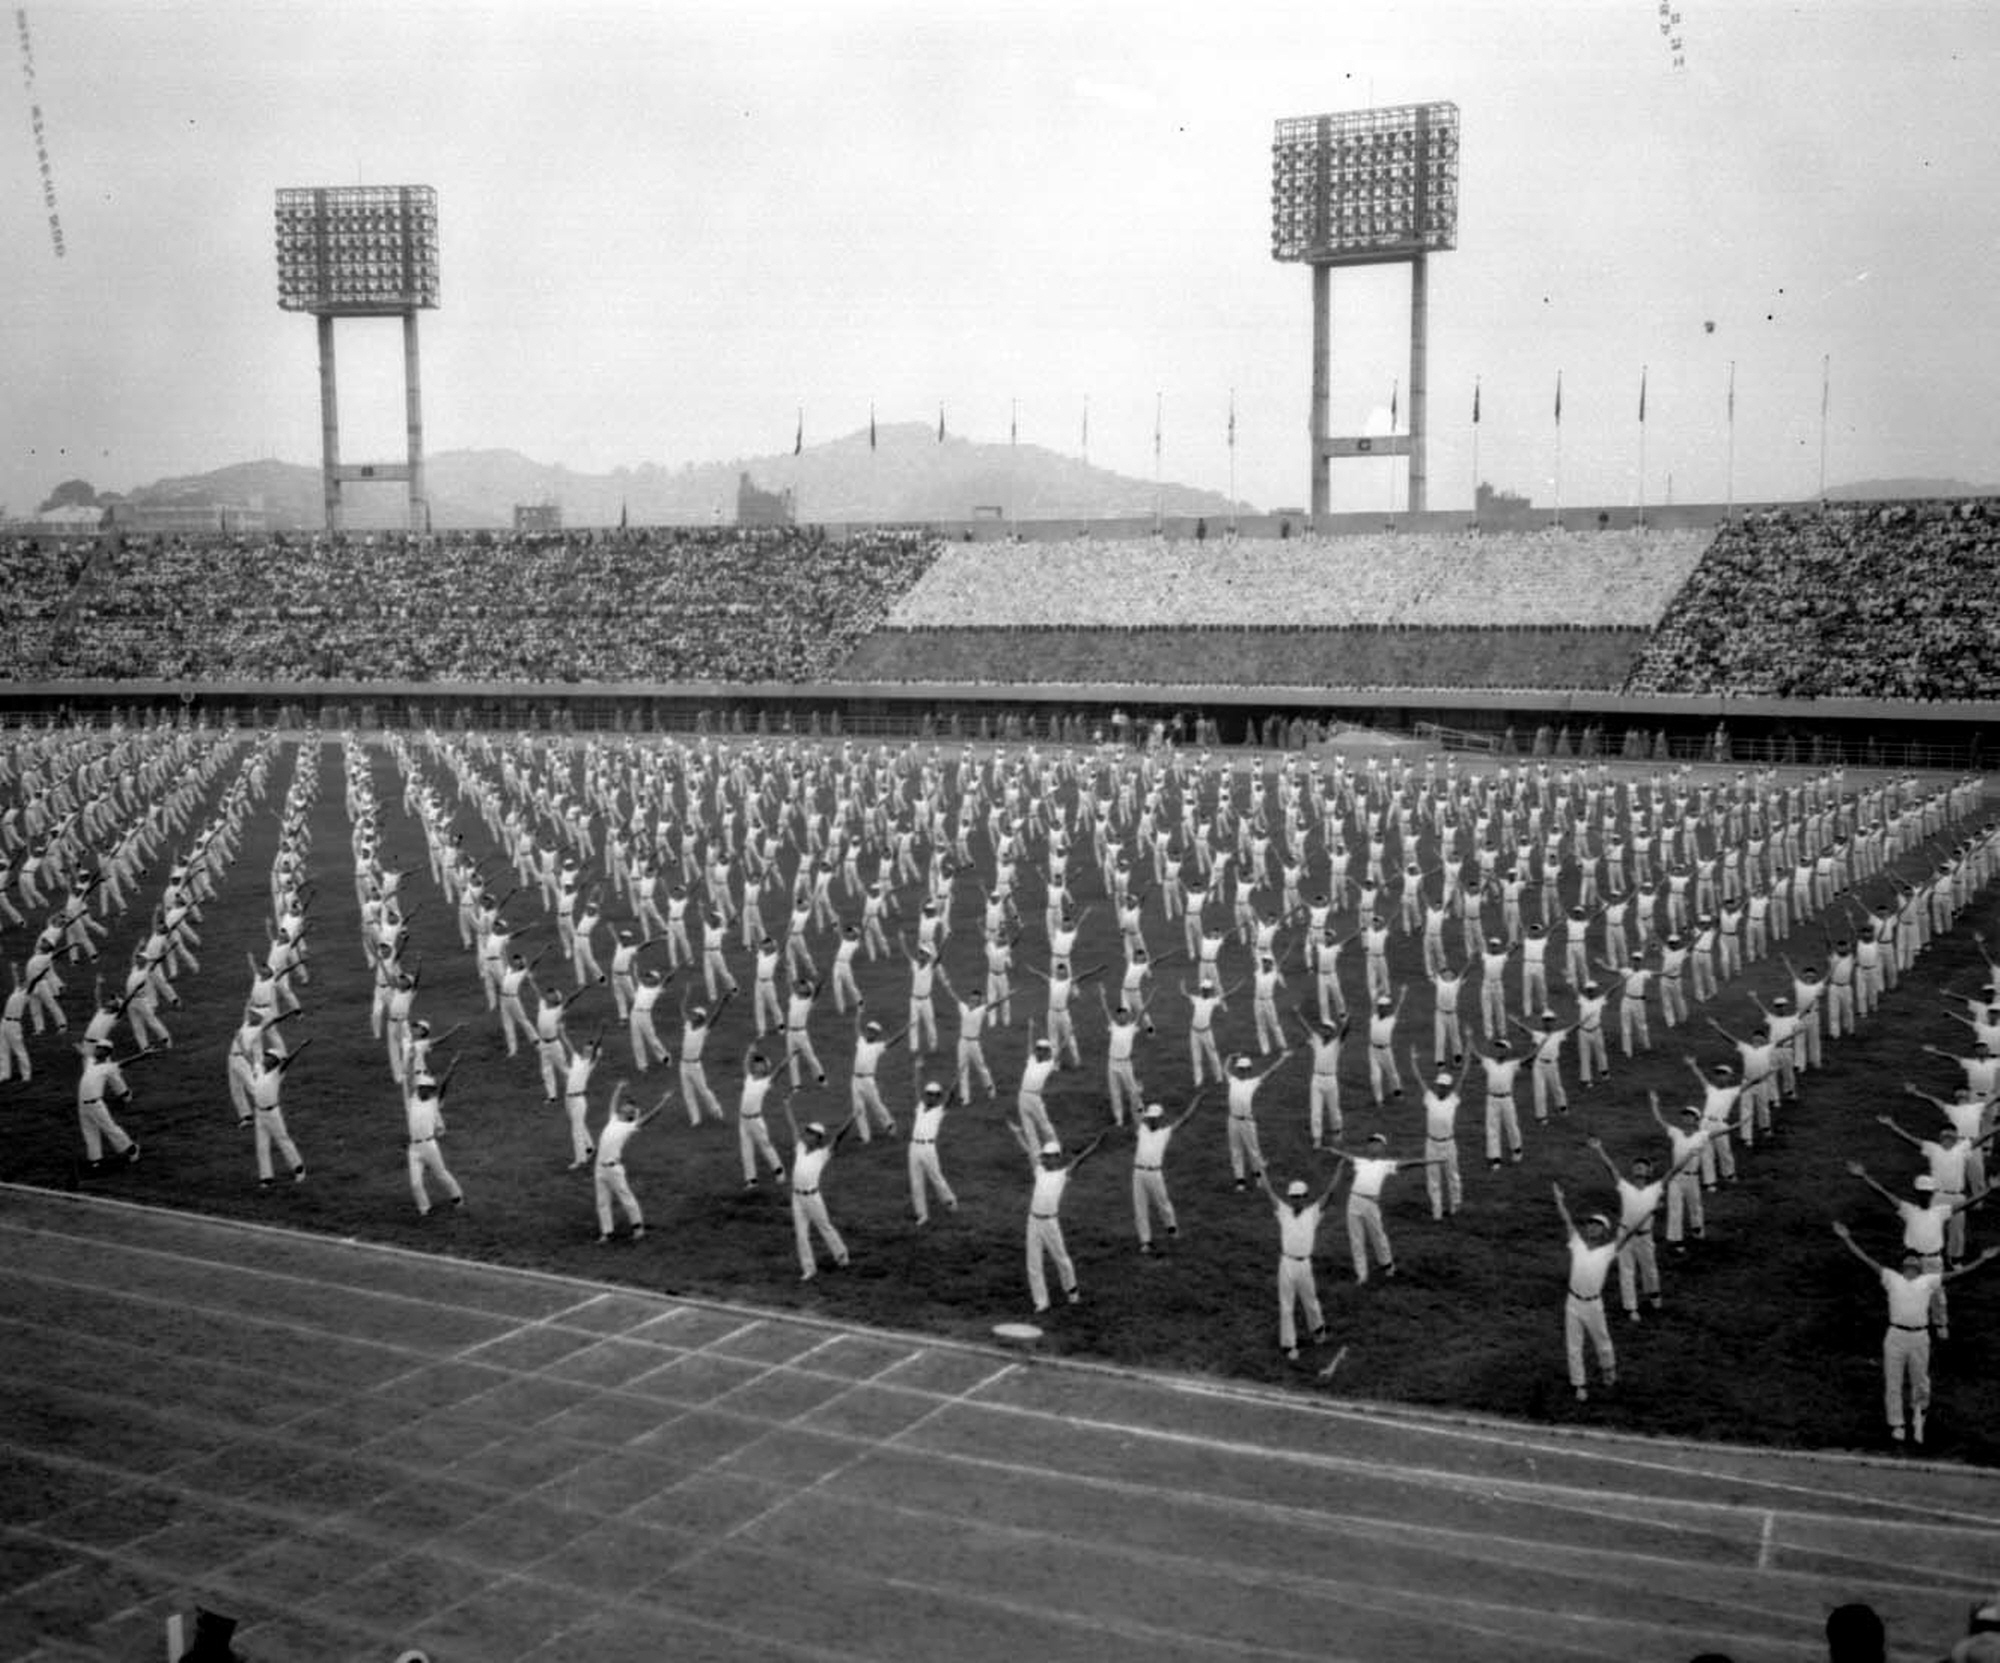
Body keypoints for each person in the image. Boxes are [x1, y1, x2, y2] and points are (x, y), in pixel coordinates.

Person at [1829, 1220, 1998, 1446]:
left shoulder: (1928, 1281)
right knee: (1893, 1381)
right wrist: (1846, 1238)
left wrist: (1982, 1260)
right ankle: (1897, 1424)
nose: (1911, 1262)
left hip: (1919, 1337)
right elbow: (1865, 1260)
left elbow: (1959, 1276)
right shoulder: (1891, 1278)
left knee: (1920, 1380)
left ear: (1919, 1266)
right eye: (1907, 1260)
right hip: (1895, 1337)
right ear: (1902, 1265)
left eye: (1914, 1260)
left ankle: (1919, 1417)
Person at [1552, 1180, 1636, 1402]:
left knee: (1603, 1340)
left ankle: (1608, 1368)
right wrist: (1559, 1200)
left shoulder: (1608, 1251)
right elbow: (1567, 1220)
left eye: (1597, 1225)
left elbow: (1628, 1234)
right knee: (1573, 1345)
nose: (1591, 1227)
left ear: (1604, 1231)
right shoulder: (1577, 1243)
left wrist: (1644, 1213)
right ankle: (1579, 1384)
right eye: (1590, 1224)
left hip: (1593, 1305)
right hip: (1573, 1302)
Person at [1010, 1124, 1108, 1314]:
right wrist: (1018, 1134)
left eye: (1047, 1157)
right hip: (1033, 1221)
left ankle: (1072, 1292)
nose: (1044, 1159)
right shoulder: (1039, 1171)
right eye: (1044, 1157)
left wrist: (1096, 1144)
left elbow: (1081, 1159)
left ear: (1056, 1158)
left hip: (1050, 1223)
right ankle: (1041, 1301)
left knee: (1061, 1258)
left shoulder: (1063, 1174)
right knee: (1033, 1262)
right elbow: (1028, 1151)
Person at [1257, 1168, 1341, 1360]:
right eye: (1294, 1197)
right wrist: (1262, 1170)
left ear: (1305, 1197)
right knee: (1286, 1306)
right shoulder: (1283, 1211)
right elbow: (1269, 1191)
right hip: (1286, 1263)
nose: (1297, 1200)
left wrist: (1338, 1170)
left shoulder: (1313, 1213)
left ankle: (1318, 1330)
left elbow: (1330, 1193)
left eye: (1301, 1196)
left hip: (1304, 1264)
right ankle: (1289, 1345)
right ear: (1290, 1197)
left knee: (1310, 1300)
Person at [783, 1098, 857, 1281]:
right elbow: (792, 1128)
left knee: (824, 1226)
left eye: (810, 1134)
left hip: (812, 1198)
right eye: (806, 1132)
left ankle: (841, 1255)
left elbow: (838, 1137)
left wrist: (852, 1118)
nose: (806, 1135)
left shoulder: (823, 1154)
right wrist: (787, 1108)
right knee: (801, 1234)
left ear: (818, 1139)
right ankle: (809, 1268)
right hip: (797, 1198)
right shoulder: (800, 1148)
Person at [595, 1080, 671, 1243]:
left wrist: (663, 1101)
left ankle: (638, 1228)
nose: (625, 1106)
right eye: (626, 1105)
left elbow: (651, 1116)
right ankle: (606, 1233)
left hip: (613, 1169)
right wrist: (618, 1088)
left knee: (626, 1197)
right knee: (602, 1202)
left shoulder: (630, 1126)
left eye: (630, 1107)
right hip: (599, 1168)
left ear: (631, 1114)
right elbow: (613, 1103)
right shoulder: (613, 1119)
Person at [1131, 1092, 1202, 1254]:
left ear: (1160, 1118)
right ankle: (1145, 1241)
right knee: (1140, 1207)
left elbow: (1184, 1119)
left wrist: (1196, 1101)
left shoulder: (1165, 1133)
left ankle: (1171, 1228)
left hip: (1155, 1173)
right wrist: (1137, 1096)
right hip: (1138, 1173)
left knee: (1163, 1202)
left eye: (1155, 1118)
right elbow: (1136, 1113)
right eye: (1150, 1118)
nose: (1152, 1120)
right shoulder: (1142, 1129)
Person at [906, 1078, 959, 1226]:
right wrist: (916, 1069)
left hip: (928, 1148)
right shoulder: (920, 1106)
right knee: (916, 1181)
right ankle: (922, 1214)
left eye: (935, 1094)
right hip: (914, 1148)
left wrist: (956, 1083)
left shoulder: (939, 1110)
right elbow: (915, 1087)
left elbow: (950, 1098)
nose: (931, 1096)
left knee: (936, 1177)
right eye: (929, 1093)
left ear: (938, 1096)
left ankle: (949, 1200)